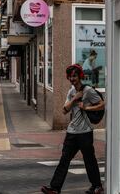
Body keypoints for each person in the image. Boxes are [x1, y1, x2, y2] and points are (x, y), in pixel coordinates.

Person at [41, 64, 105, 194]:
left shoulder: (88, 90)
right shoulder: (71, 92)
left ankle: (97, 186)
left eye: (74, 76)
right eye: (70, 76)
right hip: (71, 132)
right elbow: (64, 110)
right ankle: (55, 188)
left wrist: (87, 108)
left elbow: (102, 105)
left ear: (80, 76)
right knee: (64, 160)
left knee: (89, 160)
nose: (72, 78)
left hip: (85, 132)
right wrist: (75, 98)